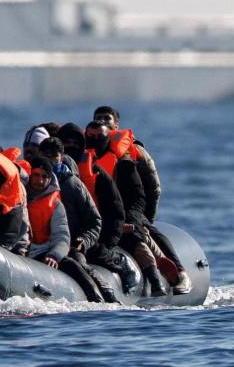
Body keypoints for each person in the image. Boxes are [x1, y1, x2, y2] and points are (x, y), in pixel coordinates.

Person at [92, 106, 191, 294]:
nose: (103, 122)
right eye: (99, 118)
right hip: (104, 210)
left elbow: (153, 185)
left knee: (148, 231)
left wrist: (145, 216)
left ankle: (179, 272)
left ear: (116, 124)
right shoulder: (89, 152)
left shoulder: (134, 151)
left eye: (107, 118)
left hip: (133, 207)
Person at [85, 120, 168, 296]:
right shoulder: (80, 164)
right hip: (91, 222)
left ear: (109, 137)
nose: (95, 140)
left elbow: (139, 197)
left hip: (122, 219)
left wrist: (131, 221)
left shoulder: (124, 165)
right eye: (91, 137)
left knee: (135, 238)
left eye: (100, 136)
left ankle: (155, 279)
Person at [38, 138, 118, 302]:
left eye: (54, 156)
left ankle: (106, 296)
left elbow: (95, 221)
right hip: (39, 245)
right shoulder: (33, 183)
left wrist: (84, 241)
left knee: (79, 264)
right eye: (45, 155)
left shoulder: (73, 185)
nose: (50, 160)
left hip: (71, 245)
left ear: (61, 157)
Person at [56, 123, 134, 291]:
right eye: (66, 142)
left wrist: (108, 241)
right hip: (53, 237)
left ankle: (117, 264)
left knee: (94, 253)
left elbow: (114, 211)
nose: (71, 146)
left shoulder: (95, 174)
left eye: (75, 143)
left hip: (87, 236)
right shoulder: (42, 176)